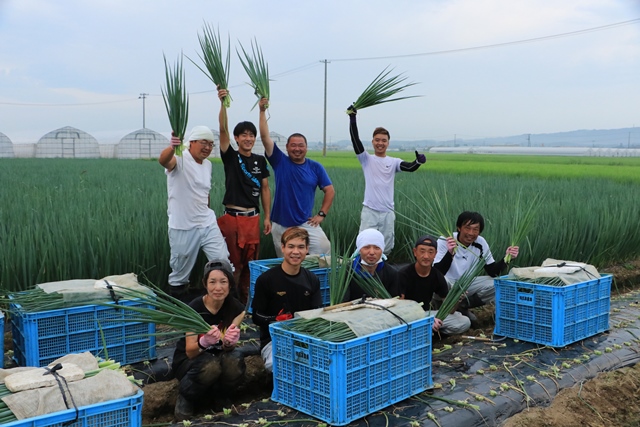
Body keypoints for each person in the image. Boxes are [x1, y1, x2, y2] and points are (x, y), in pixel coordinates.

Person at [158, 126, 230, 299]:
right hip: (183, 225)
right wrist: (172, 145)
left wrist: (206, 208)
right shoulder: (180, 158)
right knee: (180, 268)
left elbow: (205, 192)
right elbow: (164, 161)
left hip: (207, 222)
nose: (207, 147)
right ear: (192, 143)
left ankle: (223, 301)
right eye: (203, 142)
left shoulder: (208, 165)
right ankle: (179, 303)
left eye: (211, 144)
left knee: (222, 260)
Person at [258, 98, 335, 257]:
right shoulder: (280, 161)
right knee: (285, 261)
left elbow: (330, 190)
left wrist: (321, 215)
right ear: (287, 147)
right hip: (280, 224)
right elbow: (265, 137)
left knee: (324, 248)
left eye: (301, 146)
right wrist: (262, 111)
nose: (297, 149)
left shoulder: (315, 167)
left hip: (305, 223)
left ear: (306, 148)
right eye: (293, 145)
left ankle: (313, 279)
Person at [171, 259, 245, 421]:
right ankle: (187, 397)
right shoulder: (193, 309)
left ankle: (221, 396)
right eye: (212, 282)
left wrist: (229, 343)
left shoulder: (237, 309)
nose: (218, 288)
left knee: (235, 360)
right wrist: (204, 342)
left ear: (230, 285)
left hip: (217, 356)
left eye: (223, 282)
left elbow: (227, 349)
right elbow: (190, 352)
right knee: (209, 365)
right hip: (190, 361)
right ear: (205, 284)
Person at [216, 88, 272, 304]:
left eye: (251, 135)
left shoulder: (259, 160)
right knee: (234, 264)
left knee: (251, 263)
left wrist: (266, 217)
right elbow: (222, 130)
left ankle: (246, 301)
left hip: (253, 218)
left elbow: (265, 189)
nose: (248, 138)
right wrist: (223, 103)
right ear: (237, 138)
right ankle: (229, 301)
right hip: (232, 219)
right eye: (244, 135)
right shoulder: (230, 156)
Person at [347, 106, 426, 255]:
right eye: (377, 140)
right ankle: (361, 273)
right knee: (365, 245)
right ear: (372, 142)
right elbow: (355, 140)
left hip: (388, 213)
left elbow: (409, 167)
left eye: (383, 140)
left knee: (386, 247)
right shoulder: (366, 159)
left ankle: (380, 275)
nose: (380, 143)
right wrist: (352, 118)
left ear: (388, 143)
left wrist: (418, 162)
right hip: (370, 211)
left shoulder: (393, 161)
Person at [251, 227, 322, 372]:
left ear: (307, 249)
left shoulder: (312, 279)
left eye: (301, 247)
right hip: (274, 339)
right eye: (291, 246)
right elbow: (256, 317)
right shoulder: (266, 280)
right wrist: (276, 320)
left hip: (304, 337)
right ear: (282, 248)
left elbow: (317, 313)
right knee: (279, 366)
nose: (296, 252)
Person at [434, 211, 519, 323]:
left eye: (475, 229)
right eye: (467, 228)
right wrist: (450, 253)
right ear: (459, 228)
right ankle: (445, 306)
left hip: (465, 285)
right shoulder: (445, 240)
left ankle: (461, 306)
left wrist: (507, 258)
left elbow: (492, 271)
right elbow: (437, 272)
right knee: (439, 279)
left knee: (495, 283)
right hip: (446, 284)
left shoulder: (480, 243)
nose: (471, 233)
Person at [399, 235, 470, 335]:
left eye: (430, 252)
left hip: (426, 314)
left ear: (435, 254)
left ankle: (432, 333)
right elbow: (399, 308)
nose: (426, 256)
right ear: (415, 252)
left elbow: (449, 310)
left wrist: (457, 298)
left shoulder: (437, 275)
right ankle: (425, 330)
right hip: (408, 317)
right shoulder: (404, 274)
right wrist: (424, 320)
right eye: (422, 251)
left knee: (463, 321)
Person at [343, 228, 400, 302]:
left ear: (382, 250)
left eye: (377, 248)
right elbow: (343, 303)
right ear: (359, 250)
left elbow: (395, 301)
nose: (372, 252)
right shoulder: (347, 272)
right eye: (366, 247)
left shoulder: (391, 273)